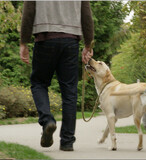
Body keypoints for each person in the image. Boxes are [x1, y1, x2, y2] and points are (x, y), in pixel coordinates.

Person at [19, 1, 94, 151]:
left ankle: (47, 121)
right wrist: (88, 44)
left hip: (45, 38)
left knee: (39, 83)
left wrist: (23, 42)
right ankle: (67, 141)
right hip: (71, 41)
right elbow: (86, 14)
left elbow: (28, 11)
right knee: (69, 91)